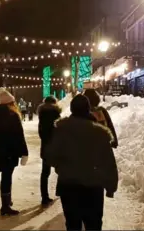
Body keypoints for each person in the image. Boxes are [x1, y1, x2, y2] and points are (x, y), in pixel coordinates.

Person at [45, 94, 118, 231]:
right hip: (93, 187)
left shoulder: (61, 130)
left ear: (72, 110)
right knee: (94, 224)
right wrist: (110, 186)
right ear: (88, 110)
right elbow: (108, 162)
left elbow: (50, 155)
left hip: (68, 185)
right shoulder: (100, 133)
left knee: (73, 224)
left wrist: (61, 167)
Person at [0, 89, 29, 216]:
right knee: (7, 178)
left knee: (5, 177)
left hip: (0, 152)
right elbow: (19, 136)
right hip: (10, 152)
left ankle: (6, 202)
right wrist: (24, 152)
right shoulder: (13, 116)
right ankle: (5, 206)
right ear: (10, 103)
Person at [37, 96, 61, 206]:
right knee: (61, 170)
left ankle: (44, 197)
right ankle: (60, 191)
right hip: (56, 146)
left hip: (46, 147)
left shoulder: (42, 116)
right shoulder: (56, 114)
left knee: (45, 173)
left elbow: (41, 133)